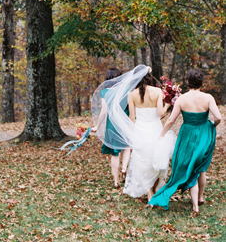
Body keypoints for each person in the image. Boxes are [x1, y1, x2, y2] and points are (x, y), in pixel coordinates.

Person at [149, 69, 222, 216]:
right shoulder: (208, 97)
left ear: (188, 82)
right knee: (200, 167)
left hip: (187, 135)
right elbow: (218, 117)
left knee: (190, 166)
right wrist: (211, 125)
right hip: (203, 135)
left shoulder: (182, 99)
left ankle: (196, 202)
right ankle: (200, 198)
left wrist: (161, 135)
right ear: (202, 82)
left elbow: (171, 120)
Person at [122, 71, 175, 201]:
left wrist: (132, 133)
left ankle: (150, 192)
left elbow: (132, 118)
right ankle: (153, 191)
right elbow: (161, 113)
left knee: (142, 162)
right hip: (154, 129)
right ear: (149, 78)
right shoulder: (157, 92)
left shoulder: (131, 94)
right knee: (155, 159)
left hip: (140, 130)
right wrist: (168, 104)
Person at [91, 68, 131, 189]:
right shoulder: (127, 90)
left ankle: (116, 181)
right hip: (125, 121)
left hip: (112, 124)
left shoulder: (105, 92)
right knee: (127, 146)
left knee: (115, 153)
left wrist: (97, 126)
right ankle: (124, 168)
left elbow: (104, 111)